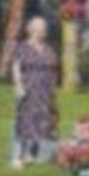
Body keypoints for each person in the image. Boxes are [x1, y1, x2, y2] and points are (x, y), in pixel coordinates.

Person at [10, 16, 60, 168]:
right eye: (40, 28)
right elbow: (16, 67)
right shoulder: (22, 48)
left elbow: (54, 69)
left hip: (45, 90)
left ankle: (32, 153)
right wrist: (18, 85)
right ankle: (18, 156)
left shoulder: (48, 49)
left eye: (44, 28)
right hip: (29, 87)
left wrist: (53, 88)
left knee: (43, 121)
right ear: (32, 30)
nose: (44, 31)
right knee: (25, 121)